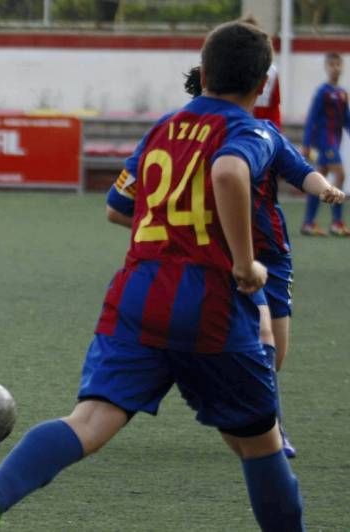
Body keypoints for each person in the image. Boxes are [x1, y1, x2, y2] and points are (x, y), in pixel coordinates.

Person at [0, 21, 307, 531]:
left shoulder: (164, 127)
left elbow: (120, 206)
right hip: (208, 303)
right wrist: (246, 262)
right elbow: (229, 172)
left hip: (138, 293)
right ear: (262, 84)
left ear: (203, 72)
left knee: (90, 421)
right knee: (260, 441)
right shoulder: (248, 130)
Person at [111, 65, 346, 459]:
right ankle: (268, 431)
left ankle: (248, 415)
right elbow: (122, 206)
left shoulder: (260, 134)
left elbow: (301, 172)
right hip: (221, 255)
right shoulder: (188, 136)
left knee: (275, 352)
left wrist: (325, 189)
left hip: (271, 257)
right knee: (259, 337)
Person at [301, 52, 350, 236]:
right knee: (341, 175)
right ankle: (337, 223)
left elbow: (346, 119)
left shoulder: (343, 93)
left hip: (334, 142)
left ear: (342, 67)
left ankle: (308, 223)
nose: (335, 68)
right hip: (324, 142)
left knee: (319, 179)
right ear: (326, 67)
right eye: (332, 65)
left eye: (338, 64)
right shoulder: (323, 92)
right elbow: (312, 118)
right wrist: (306, 144)